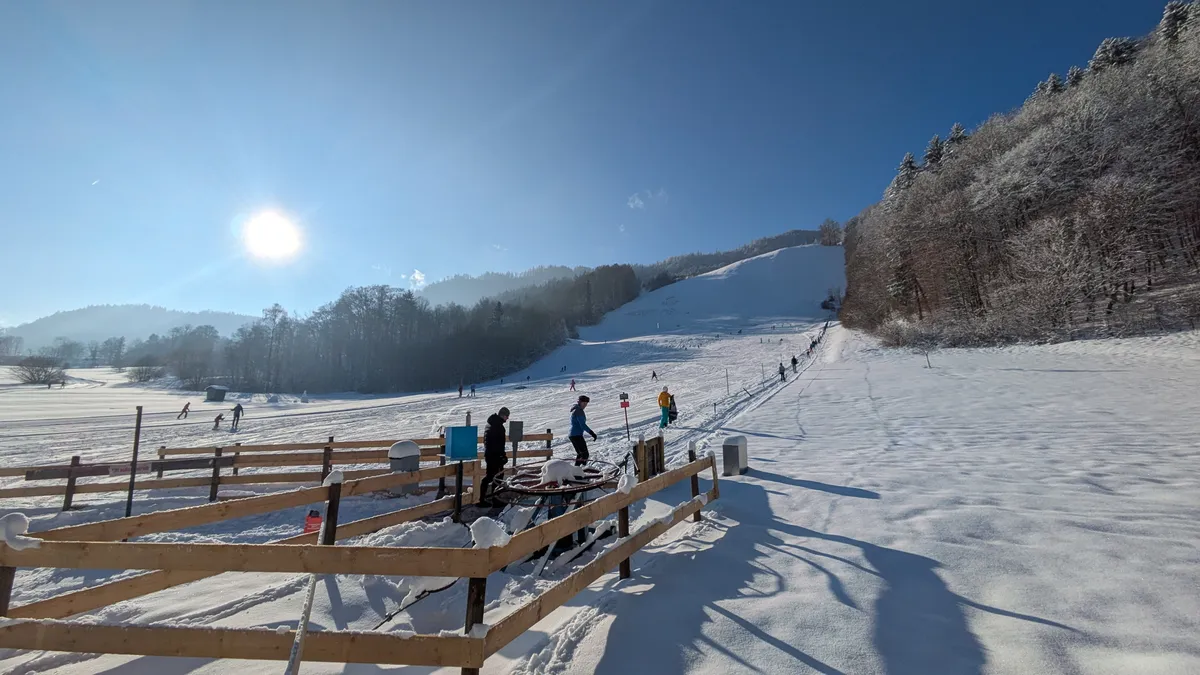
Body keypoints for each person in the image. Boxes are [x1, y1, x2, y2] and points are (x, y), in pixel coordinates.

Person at [479, 406, 510, 507]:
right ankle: (493, 499)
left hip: (490, 455)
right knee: (496, 477)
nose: (507, 418)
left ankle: (484, 498)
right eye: (506, 416)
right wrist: (501, 456)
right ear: (502, 415)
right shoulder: (497, 426)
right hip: (495, 456)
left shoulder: (490, 424)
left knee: (491, 476)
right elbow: (498, 444)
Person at [568, 395, 597, 466]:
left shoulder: (577, 409)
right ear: (579, 402)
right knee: (584, 454)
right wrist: (592, 433)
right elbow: (582, 425)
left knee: (581, 454)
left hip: (573, 435)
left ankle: (577, 470)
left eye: (586, 404)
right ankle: (579, 470)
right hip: (576, 435)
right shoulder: (579, 411)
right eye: (583, 403)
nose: (585, 405)